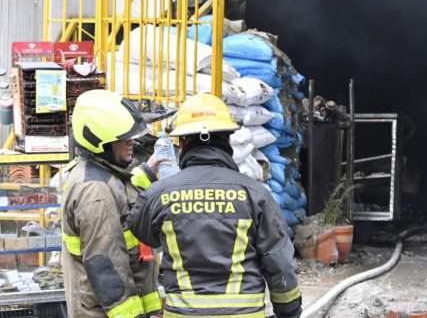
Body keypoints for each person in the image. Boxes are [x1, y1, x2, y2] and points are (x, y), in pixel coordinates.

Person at [128, 93, 302, 318]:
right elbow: (279, 262)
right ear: (227, 140)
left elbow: (140, 231)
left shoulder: (160, 194)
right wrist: (288, 311)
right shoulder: (254, 194)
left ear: (182, 142)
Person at [61, 89, 162, 318]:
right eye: (122, 137)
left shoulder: (101, 176)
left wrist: (147, 172)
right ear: (99, 141)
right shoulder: (95, 191)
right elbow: (106, 265)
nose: (131, 142)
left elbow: (122, 195)